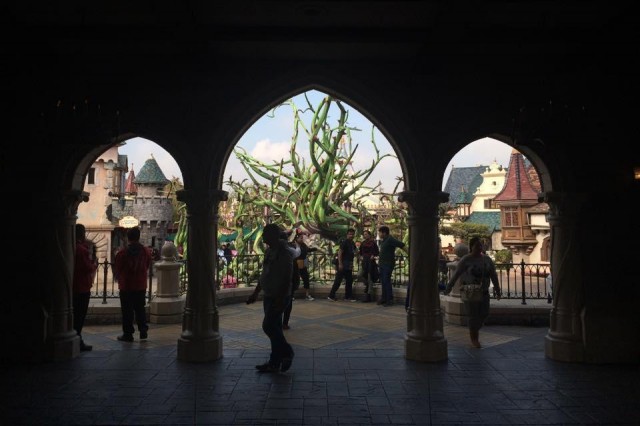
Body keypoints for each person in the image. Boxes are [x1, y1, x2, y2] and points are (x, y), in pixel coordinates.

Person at [246, 224, 295, 373]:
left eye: (266, 234)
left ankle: (287, 352)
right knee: (275, 328)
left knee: (268, 326)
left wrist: (281, 298)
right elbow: (265, 274)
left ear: (273, 235)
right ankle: (275, 361)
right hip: (269, 295)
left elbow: (287, 277)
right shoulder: (269, 251)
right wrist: (256, 293)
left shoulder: (284, 253)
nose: (263, 237)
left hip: (279, 297)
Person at [443, 236, 502, 348]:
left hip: (483, 291)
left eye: (480, 245)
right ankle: (474, 338)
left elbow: (493, 275)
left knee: (484, 313)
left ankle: (474, 329)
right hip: (470, 292)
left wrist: (497, 289)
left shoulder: (487, 259)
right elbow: (456, 274)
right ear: (471, 247)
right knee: (472, 316)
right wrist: (449, 287)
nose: (479, 248)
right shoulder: (466, 259)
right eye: (477, 246)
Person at [114, 226, 152, 342]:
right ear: (138, 237)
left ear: (128, 237)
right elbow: (147, 265)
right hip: (140, 285)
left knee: (127, 311)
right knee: (140, 308)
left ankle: (128, 334)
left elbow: (118, 269)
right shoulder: (145, 251)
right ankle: (143, 330)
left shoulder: (122, 253)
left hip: (126, 286)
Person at [73, 223, 98, 352]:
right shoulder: (81, 249)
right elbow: (87, 267)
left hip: (73, 286)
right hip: (81, 287)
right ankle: (78, 340)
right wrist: (94, 265)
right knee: (79, 316)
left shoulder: (72, 247)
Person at [376, 225, 406, 306]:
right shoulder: (384, 240)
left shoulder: (390, 239)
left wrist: (409, 254)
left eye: (379, 232)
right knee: (383, 281)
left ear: (384, 233)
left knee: (386, 281)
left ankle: (389, 299)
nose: (379, 234)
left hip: (388, 264)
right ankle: (384, 298)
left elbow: (401, 245)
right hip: (382, 264)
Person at [327, 228, 357, 302]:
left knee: (349, 280)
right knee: (338, 280)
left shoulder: (352, 243)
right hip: (343, 264)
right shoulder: (344, 242)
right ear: (347, 234)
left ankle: (348, 296)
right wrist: (340, 264)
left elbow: (355, 251)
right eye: (350, 234)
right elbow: (340, 253)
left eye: (352, 234)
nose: (351, 235)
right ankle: (331, 295)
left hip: (348, 265)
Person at [282, 231, 302, 330]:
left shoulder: (272, 250)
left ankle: (277, 323)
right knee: (287, 302)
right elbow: (298, 252)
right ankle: (284, 323)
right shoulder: (289, 250)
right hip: (287, 281)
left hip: (277, 282)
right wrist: (297, 245)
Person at [293, 231, 318, 301]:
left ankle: (307, 294)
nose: (302, 239)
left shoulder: (303, 245)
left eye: (302, 238)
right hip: (295, 264)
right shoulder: (293, 245)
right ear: (296, 238)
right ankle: (292, 295)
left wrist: (315, 249)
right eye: (300, 238)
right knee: (294, 279)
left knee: (306, 279)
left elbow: (308, 250)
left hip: (303, 263)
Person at [358, 230, 379, 302]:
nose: (365, 235)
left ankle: (368, 295)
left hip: (371, 262)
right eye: (364, 234)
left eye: (366, 234)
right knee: (359, 274)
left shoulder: (373, 243)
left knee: (370, 277)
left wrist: (373, 256)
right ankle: (366, 285)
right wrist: (361, 257)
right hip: (364, 261)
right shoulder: (363, 243)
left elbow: (377, 252)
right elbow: (360, 252)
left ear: (369, 235)